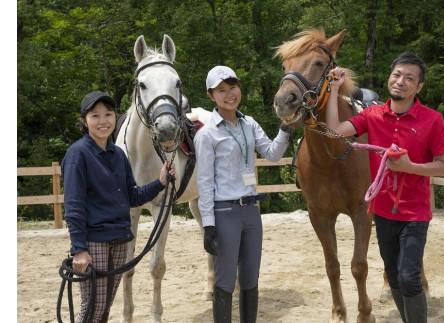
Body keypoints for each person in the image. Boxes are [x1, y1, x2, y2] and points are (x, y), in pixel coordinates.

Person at [325, 52, 444, 323]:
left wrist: (411, 167)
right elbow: (335, 129)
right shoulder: (371, 115)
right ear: (389, 79)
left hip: (415, 214)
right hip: (382, 211)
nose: (401, 81)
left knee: (408, 276)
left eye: (409, 78)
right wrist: (335, 89)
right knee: (393, 275)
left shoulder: (432, 120)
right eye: (397, 75)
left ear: (419, 87)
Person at [61, 90, 175, 322]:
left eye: (108, 114)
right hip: (94, 242)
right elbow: (74, 206)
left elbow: (132, 197)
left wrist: (160, 182)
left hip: (119, 239)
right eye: (95, 116)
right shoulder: (77, 154)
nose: (103, 121)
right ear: (84, 121)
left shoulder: (118, 155)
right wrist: (79, 249)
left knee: (104, 307)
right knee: (93, 306)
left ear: (115, 117)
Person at [194, 66, 291, 323]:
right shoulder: (206, 134)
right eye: (221, 90)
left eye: (233, 87)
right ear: (210, 95)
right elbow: (204, 183)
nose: (229, 94)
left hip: (251, 211)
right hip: (224, 212)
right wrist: (209, 225)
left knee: (250, 278)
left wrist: (286, 128)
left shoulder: (249, 124)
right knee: (225, 280)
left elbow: (272, 154)